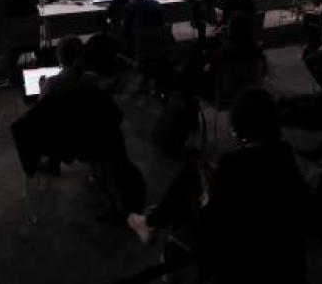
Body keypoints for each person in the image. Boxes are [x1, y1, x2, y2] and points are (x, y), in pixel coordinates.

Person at [129, 88, 310, 284]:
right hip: (283, 261)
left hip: (238, 254)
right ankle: (155, 222)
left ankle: (154, 224)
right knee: (193, 171)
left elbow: (216, 221)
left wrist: (208, 199)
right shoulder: (286, 156)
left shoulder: (234, 163)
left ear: (240, 125)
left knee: (187, 186)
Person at [38, 35, 100, 99]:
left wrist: (43, 88)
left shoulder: (51, 84)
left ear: (59, 56)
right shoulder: (94, 79)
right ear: (82, 53)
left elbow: (42, 104)